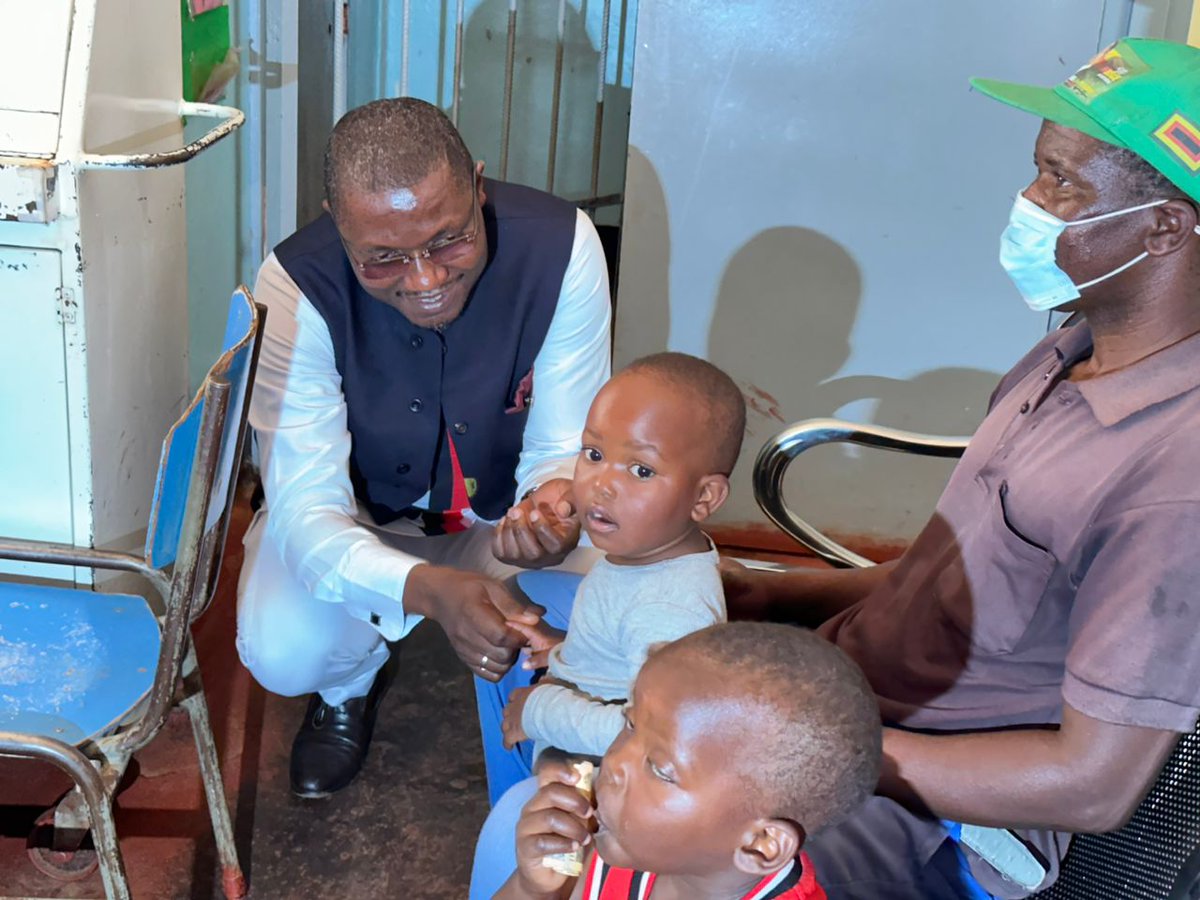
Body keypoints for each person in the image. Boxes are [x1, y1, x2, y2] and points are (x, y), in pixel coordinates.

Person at [724, 37, 1200, 898]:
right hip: (851, 708)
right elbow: (956, 583)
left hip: (940, 820)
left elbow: (1093, 784)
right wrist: (764, 591)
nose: (1029, 203)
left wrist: (820, 748)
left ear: (1163, 228)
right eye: (1036, 171)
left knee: (655, 849)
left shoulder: (1176, 479)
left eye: (1063, 183)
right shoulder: (1070, 351)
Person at [236, 97, 611, 799]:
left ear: (477, 184)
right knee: (282, 649)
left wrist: (552, 508)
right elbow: (308, 513)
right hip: (364, 522)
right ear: (336, 222)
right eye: (382, 258)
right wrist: (428, 591)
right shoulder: (295, 286)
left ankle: (577, 720)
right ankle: (349, 682)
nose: (426, 279)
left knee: (624, 594)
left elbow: (565, 443)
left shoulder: (563, 246)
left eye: (448, 240)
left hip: (498, 523)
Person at [487, 352, 744, 798]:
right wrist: (571, 652)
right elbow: (626, 640)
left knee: (520, 829)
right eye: (594, 453)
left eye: (641, 470)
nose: (601, 485)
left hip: (606, 783)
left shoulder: (670, 610)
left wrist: (539, 711)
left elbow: (658, 741)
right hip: (588, 714)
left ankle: (516, 822)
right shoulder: (649, 549)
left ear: (704, 498)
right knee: (513, 601)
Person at [494, 622, 882, 900]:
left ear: (761, 845)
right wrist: (534, 890)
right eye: (630, 724)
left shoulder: (639, 835)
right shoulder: (619, 842)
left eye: (661, 769)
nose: (614, 764)